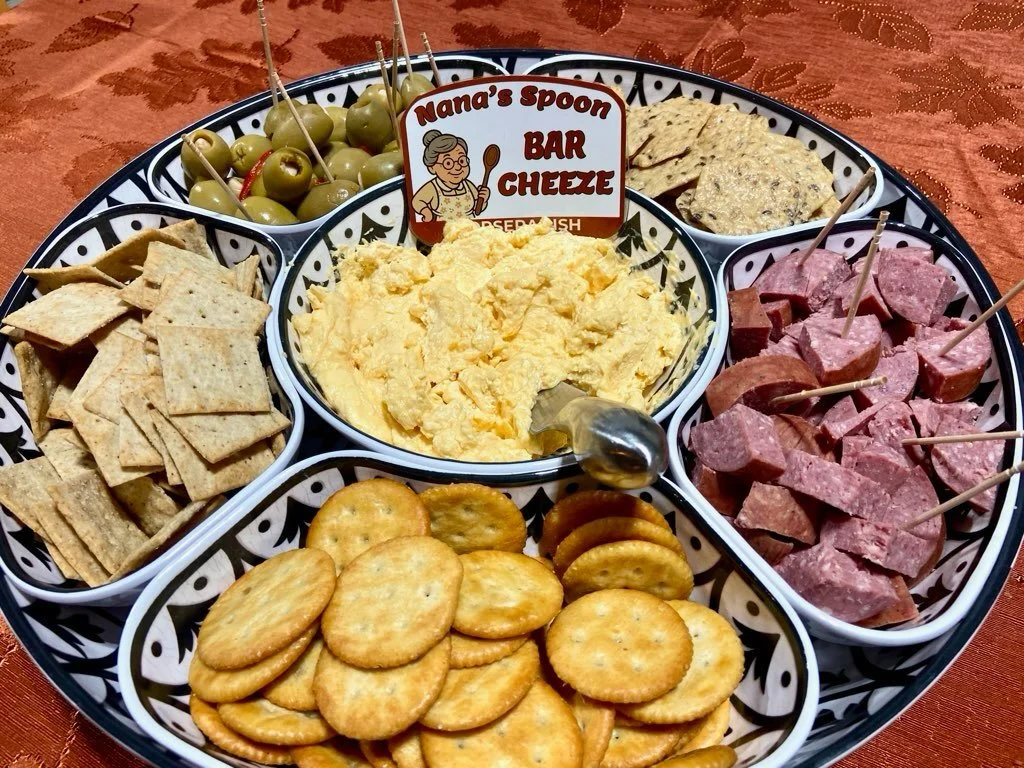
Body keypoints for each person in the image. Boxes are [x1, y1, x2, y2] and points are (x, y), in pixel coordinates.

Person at [411, 130, 490, 222]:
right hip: (442, 231)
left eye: (462, 161)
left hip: (470, 229)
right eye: (448, 163)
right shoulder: (433, 188)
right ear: (432, 168)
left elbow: (477, 211)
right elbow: (417, 201)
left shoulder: (467, 186)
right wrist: (426, 212)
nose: (457, 167)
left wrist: (483, 200)